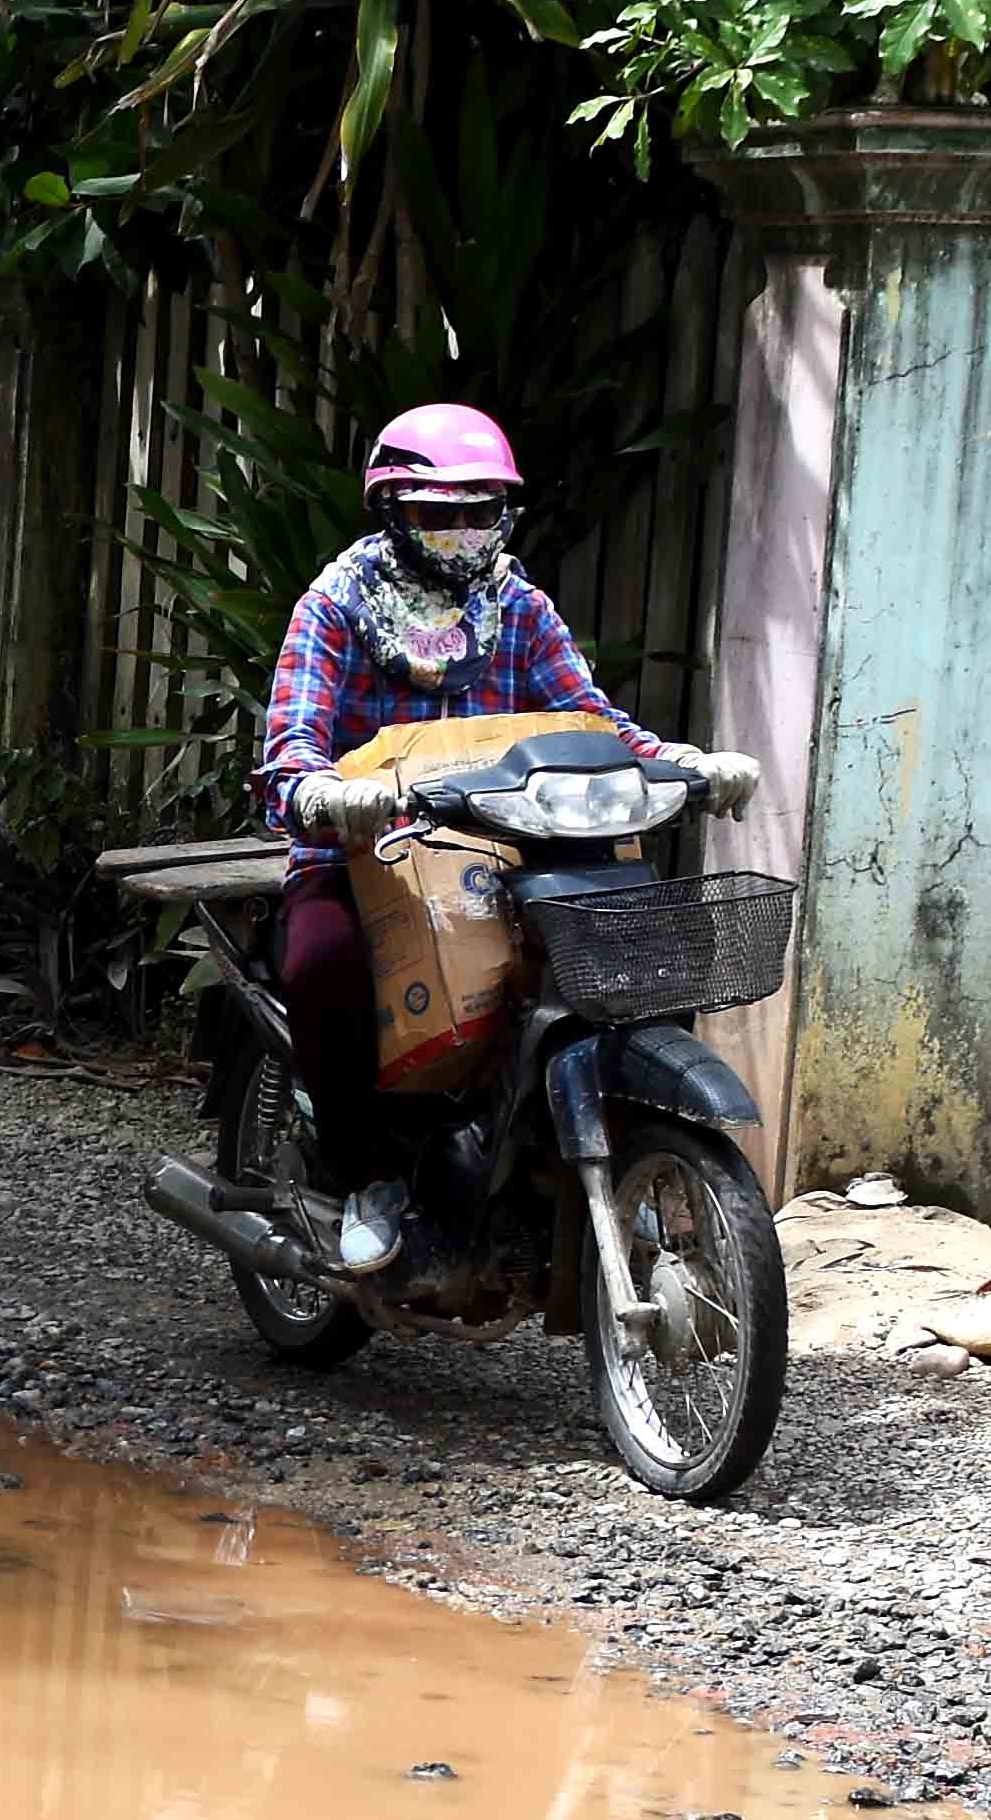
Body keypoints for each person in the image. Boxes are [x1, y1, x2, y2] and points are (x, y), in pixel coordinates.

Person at [255, 406, 751, 1236]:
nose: (460, 530)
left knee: (623, 961)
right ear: (391, 511)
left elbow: (590, 719)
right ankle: (363, 1174)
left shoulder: (516, 607)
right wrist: (325, 794)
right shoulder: (336, 606)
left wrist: (686, 764)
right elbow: (291, 745)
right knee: (323, 963)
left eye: (479, 510)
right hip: (365, 854)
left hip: (508, 851)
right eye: (435, 512)